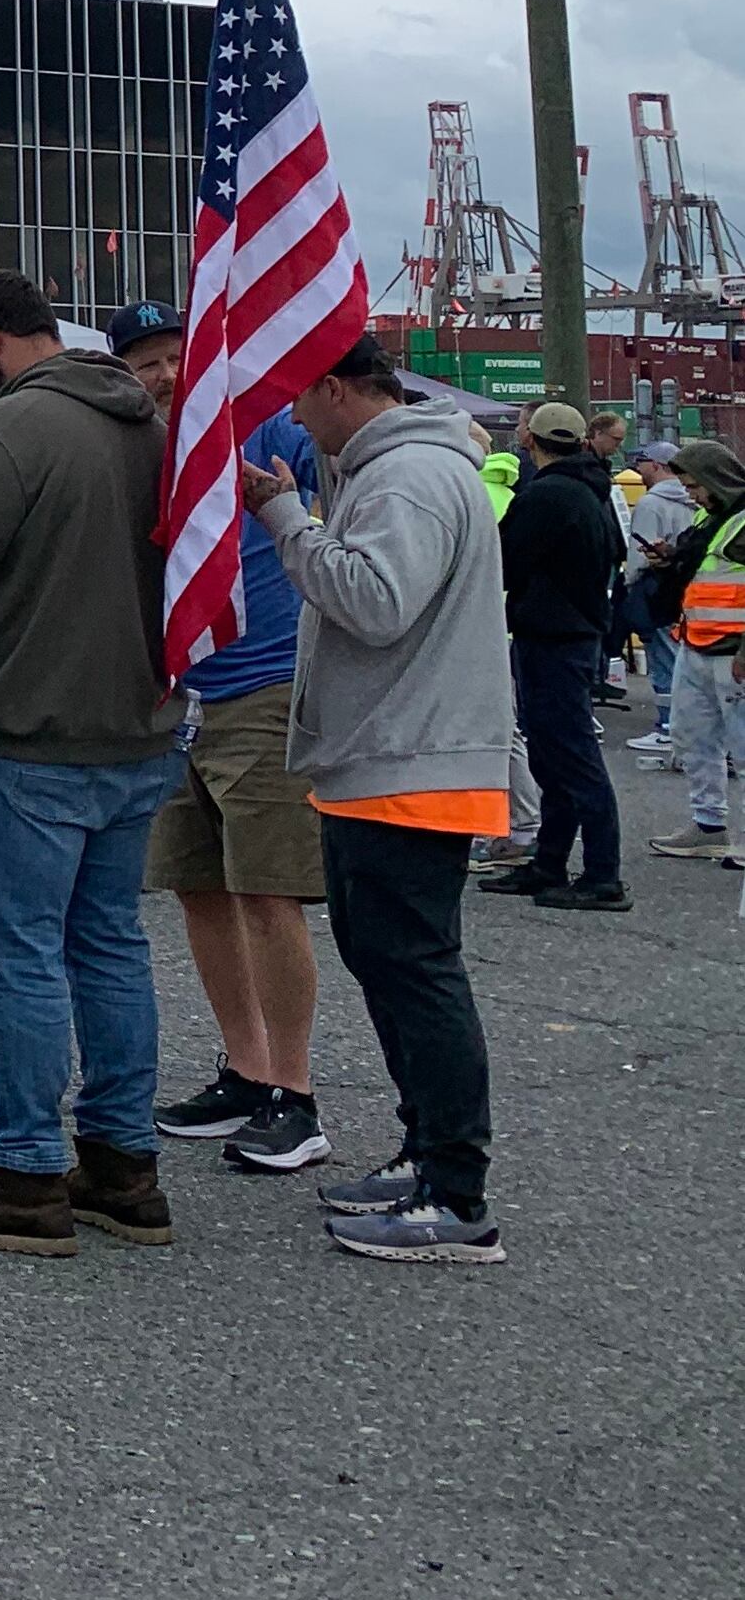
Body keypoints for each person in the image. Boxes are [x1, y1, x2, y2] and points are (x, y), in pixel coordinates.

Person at [0, 271, 184, 1259]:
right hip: (133, 725)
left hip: (21, 728)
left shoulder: (11, 434)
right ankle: (122, 1163)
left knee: (19, 953)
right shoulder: (147, 425)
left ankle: (20, 1169)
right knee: (108, 946)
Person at [238, 335, 515, 1261]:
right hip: (396, 759)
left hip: (413, 763)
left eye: (299, 397)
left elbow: (374, 599)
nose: (295, 417)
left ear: (334, 388)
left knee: (418, 975)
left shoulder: (404, 478)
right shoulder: (404, 469)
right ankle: (430, 1156)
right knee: (398, 970)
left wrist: (285, 517)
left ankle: (455, 1192)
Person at [109, 306, 332, 1171]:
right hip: (177, 693)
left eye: (174, 356)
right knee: (199, 886)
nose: (163, 374)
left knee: (270, 889)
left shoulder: (264, 417)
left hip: (264, 683)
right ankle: (245, 1067)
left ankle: (296, 1090)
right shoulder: (138, 450)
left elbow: (340, 458)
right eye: (145, 363)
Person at [480, 400, 630, 911]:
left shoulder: (545, 495)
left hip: (551, 637)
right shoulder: (595, 491)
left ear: (530, 440)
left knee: (571, 756)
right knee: (555, 755)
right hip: (579, 632)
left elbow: (503, 560)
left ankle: (602, 875)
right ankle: (551, 861)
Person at [644, 440, 745, 866]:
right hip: (699, 641)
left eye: (693, 485)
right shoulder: (712, 518)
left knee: (741, 745)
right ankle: (708, 827)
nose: (690, 494)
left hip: (732, 650)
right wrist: (672, 559)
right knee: (694, 737)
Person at [628, 444, 701, 775]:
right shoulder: (695, 502)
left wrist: (629, 582)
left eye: (641, 464)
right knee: (677, 655)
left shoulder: (651, 502)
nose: (637, 471)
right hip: (686, 591)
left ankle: (667, 727)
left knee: (662, 657)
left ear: (657, 466)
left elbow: (637, 551)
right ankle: (679, 725)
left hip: (655, 586)